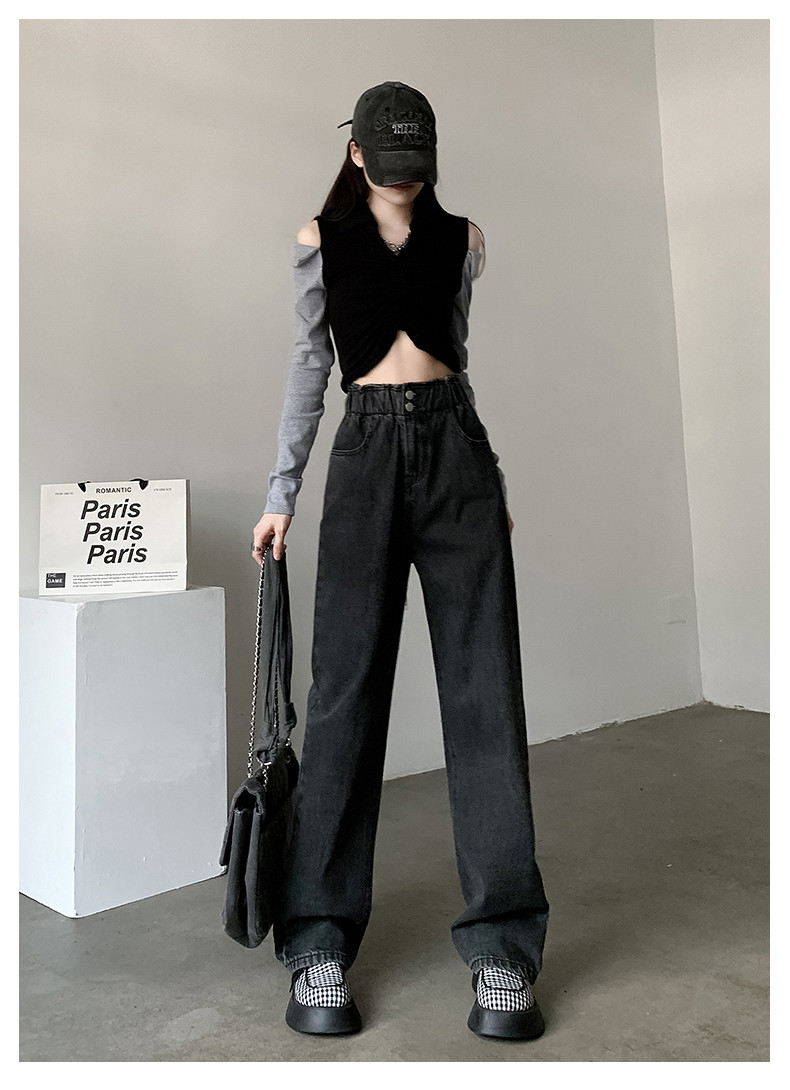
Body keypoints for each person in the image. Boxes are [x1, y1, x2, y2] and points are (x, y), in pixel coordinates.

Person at [250, 82, 550, 1041]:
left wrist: (489, 477)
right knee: (343, 698)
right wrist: (281, 492)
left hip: (457, 457)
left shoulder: (464, 239)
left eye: (416, 165)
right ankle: (319, 942)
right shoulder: (320, 241)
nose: (404, 180)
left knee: (485, 693)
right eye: (388, 165)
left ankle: (504, 953)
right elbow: (310, 368)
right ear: (358, 156)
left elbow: (457, 358)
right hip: (366, 452)